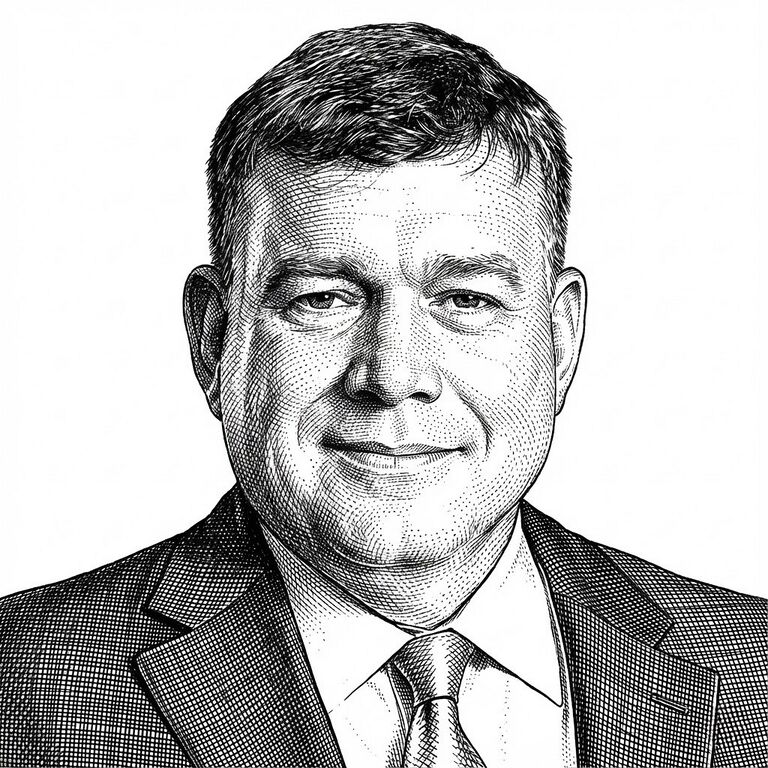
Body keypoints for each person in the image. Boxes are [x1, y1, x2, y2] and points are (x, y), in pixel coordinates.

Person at [0, 22, 765, 768]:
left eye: (466, 299)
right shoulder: (21, 685)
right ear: (214, 339)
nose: (395, 375)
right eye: (323, 299)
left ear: (560, 340)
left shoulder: (754, 672)